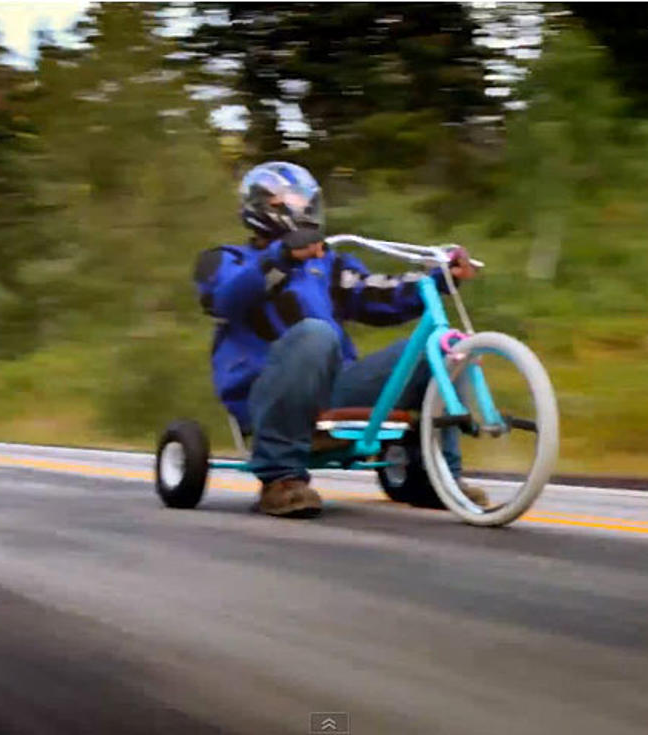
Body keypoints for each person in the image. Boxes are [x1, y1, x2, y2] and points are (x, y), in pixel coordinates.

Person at [193, 161, 488, 518]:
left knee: (439, 349)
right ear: (260, 207)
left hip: (335, 390)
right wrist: (281, 257)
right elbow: (224, 298)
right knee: (315, 333)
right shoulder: (226, 261)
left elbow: (376, 294)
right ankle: (280, 479)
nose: (300, 208)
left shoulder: (331, 266)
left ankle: (433, 478)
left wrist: (439, 279)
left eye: (304, 201)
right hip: (267, 394)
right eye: (287, 201)